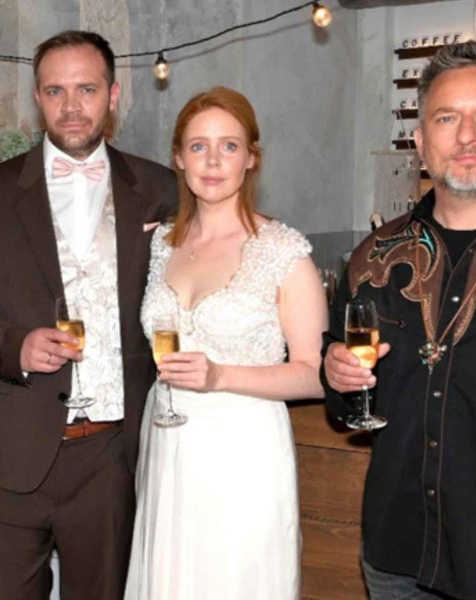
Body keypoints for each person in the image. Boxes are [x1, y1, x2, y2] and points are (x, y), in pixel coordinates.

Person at [0, 30, 177, 600]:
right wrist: (11, 346)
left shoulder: (160, 188)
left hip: (113, 456)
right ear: (37, 98)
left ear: (113, 95)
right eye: (55, 91)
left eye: (86, 89)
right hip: (9, 449)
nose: (71, 106)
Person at [323, 40, 476, 600]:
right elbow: (348, 406)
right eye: (446, 118)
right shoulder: (373, 257)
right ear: (420, 141)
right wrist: (337, 375)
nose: (466, 136)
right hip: (398, 554)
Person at [124, 87, 327, 599]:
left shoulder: (283, 252)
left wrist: (220, 376)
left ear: (251, 158)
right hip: (166, 443)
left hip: (244, 451)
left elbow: (314, 374)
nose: (213, 161)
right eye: (198, 146)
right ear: (178, 158)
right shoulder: (159, 243)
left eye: (229, 146)